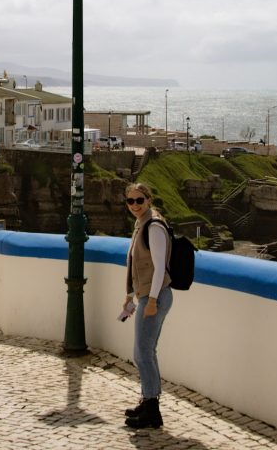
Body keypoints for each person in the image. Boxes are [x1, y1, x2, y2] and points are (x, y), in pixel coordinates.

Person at [121, 182, 174, 429]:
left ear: (148, 200)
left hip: (156, 296)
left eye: (139, 200)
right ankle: (147, 400)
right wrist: (130, 295)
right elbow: (137, 265)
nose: (135, 205)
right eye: (130, 201)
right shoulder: (141, 224)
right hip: (146, 295)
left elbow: (159, 267)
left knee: (143, 352)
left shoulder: (153, 226)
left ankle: (152, 409)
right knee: (143, 352)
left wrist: (151, 300)